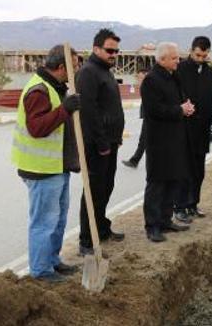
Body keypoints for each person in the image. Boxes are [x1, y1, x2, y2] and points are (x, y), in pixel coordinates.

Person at [11, 44, 81, 282]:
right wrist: (65, 109)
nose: (78, 70)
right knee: (44, 222)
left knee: (59, 218)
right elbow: (37, 128)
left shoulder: (56, 86)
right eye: (75, 66)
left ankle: (52, 260)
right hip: (40, 169)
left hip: (57, 166)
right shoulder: (39, 90)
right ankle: (41, 271)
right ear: (62, 67)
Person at [76, 28, 126, 255]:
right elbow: (89, 112)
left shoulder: (105, 71)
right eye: (109, 50)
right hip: (97, 146)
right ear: (96, 49)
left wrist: (115, 138)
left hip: (110, 142)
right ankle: (87, 240)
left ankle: (102, 228)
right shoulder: (88, 73)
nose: (113, 54)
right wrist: (103, 143)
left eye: (116, 51)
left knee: (106, 188)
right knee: (94, 191)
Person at [140, 42, 193, 242]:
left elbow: (180, 99)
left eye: (177, 57)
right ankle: (152, 225)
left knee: (172, 180)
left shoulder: (174, 77)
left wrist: (186, 106)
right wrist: (179, 110)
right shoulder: (151, 81)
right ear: (162, 60)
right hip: (159, 142)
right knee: (157, 183)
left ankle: (165, 219)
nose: (178, 61)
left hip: (175, 139)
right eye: (174, 58)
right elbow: (155, 110)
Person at [175, 36, 212, 222]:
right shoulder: (180, 69)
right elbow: (175, 94)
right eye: (198, 55)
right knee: (184, 170)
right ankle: (180, 206)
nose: (201, 59)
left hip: (202, 129)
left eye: (204, 55)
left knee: (198, 170)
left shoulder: (211, 73)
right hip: (184, 128)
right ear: (191, 50)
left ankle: (193, 203)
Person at [123, 68, 150, 168]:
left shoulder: (148, 86)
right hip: (148, 117)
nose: (138, 79)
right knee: (144, 140)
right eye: (137, 77)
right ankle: (135, 160)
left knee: (144, 140)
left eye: (140, 77)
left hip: (150, 117)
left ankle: (135, 160)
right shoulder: (145, 85)